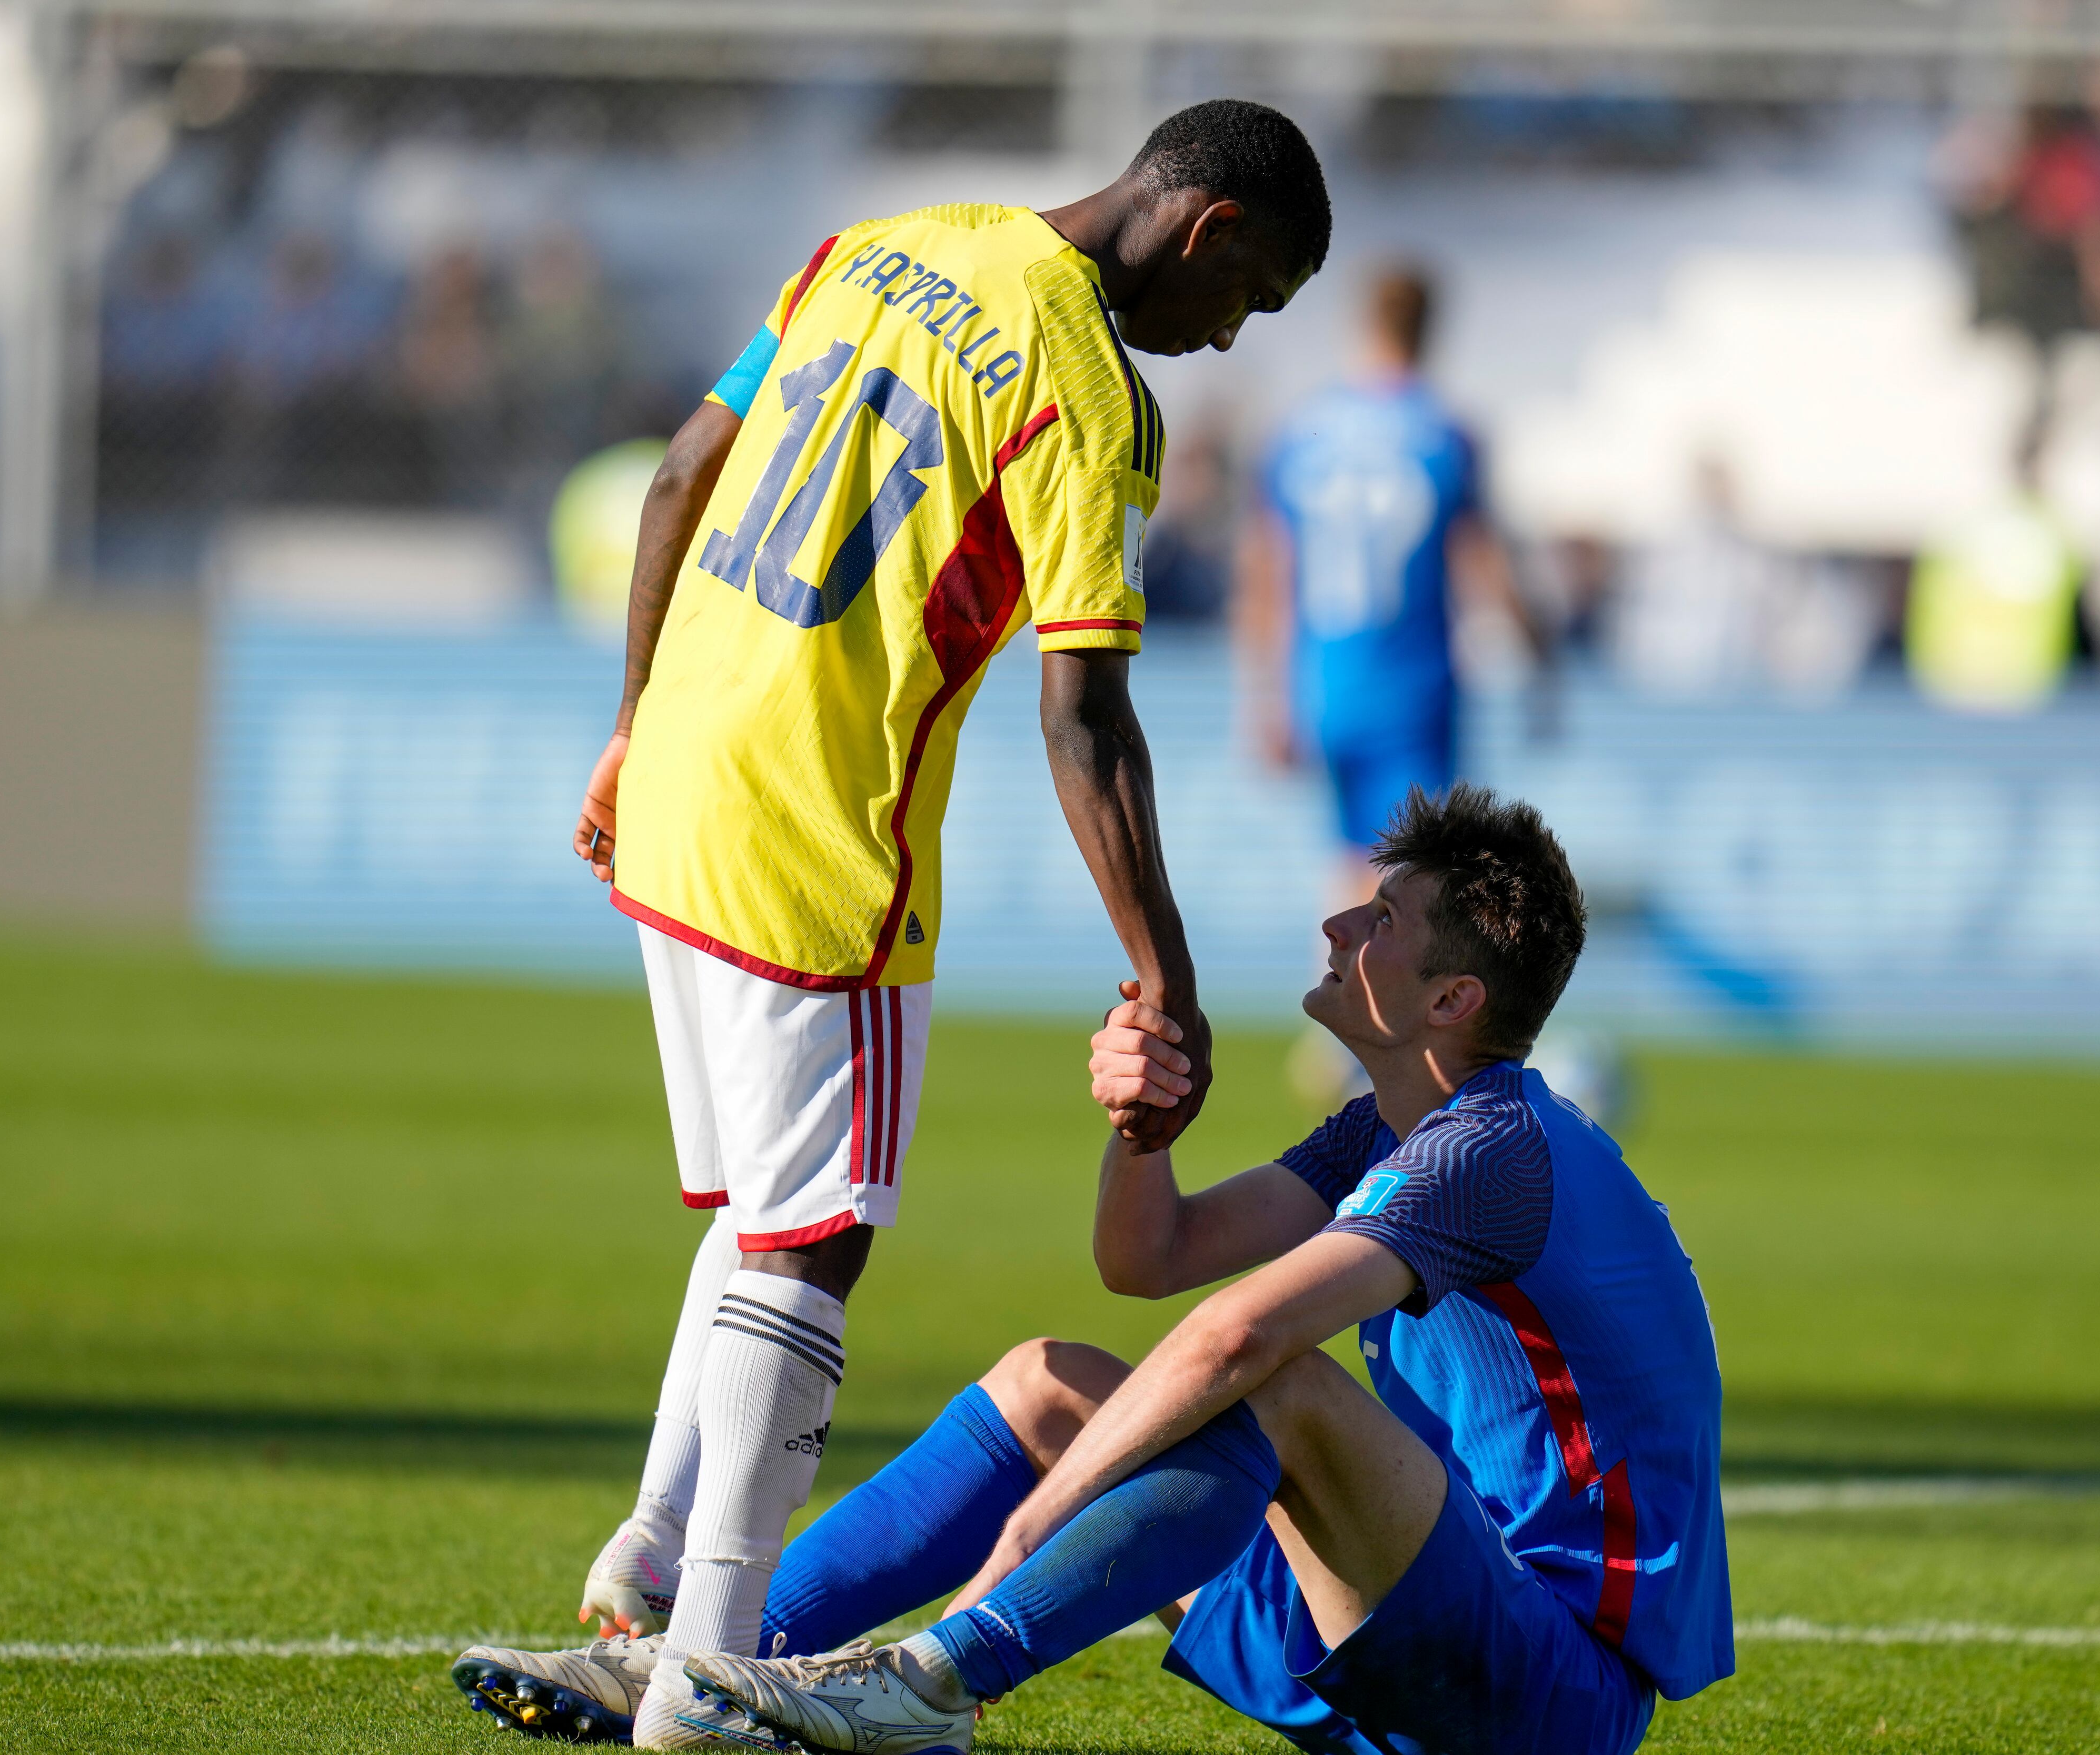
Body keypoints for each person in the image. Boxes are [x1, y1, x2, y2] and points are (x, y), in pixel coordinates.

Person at [458, 100, 1334, 1743]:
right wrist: (1168, 975)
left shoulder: (890, 242)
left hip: (682, 766)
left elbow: (671, 484)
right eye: (1252, 299)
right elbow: (1085, 720)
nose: (1225, 340)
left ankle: (648, 1566)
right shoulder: (1089, 394)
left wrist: (637, 723)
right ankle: (706, 1673)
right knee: (814, 1238)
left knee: (757, 1209)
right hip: (815, 825)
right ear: (1210, 230)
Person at [452, 785, 1731, 1753]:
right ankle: (704, 1657)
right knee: (1049, 1381)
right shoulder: (1385, 1126)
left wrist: (1025, 1526)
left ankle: (937, 1686)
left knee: (1271, 1383)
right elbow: (1150, 1258)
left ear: (1452, 1000)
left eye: (1381, 917)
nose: (1339, 921)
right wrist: (1142, 1136)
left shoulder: (1489, 1149)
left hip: (1547, 1688)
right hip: (1420, 1622)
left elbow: (1235, 1341)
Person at [1235, 265, 1541, 905]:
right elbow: (1480, 562)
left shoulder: (1301, 431)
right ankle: (1373, 1000)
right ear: (1430, 329)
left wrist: (1266, 693)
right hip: (1410, 685)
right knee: (1416, 880)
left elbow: (1267, 570)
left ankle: (1335, 993)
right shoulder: (1444, 433)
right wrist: (1539, 649)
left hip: (1321, 682)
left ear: (1364, 323)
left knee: (1352, 860)